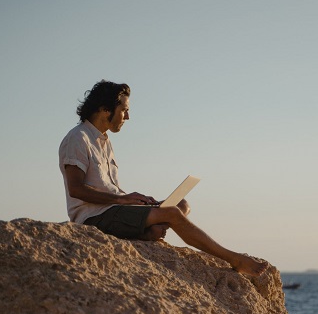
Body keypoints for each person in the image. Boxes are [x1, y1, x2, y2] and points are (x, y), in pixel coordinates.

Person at [58, 80, 268, 277]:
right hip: (94, 217)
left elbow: (107, 188)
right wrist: (123, 199)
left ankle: (147, 233)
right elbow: (76, 189)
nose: (127, 117)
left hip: (115, 210)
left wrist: (131, 200)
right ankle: (234, 259)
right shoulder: (78, 138)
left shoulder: (104, 142)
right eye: (124, 110)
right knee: (172, 214)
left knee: (181, 204)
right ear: (105, 109)